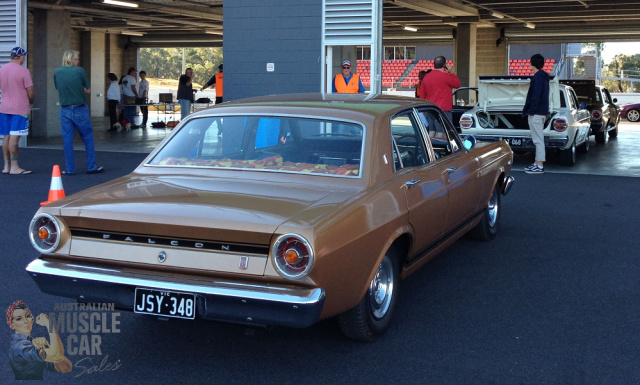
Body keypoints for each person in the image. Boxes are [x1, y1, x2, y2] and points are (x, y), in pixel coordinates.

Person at [53, 50, 104, 175]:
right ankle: (91, 166)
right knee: (88, 138)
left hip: (65, 109)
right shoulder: (80, 71)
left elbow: (57, 87)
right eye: (77, 59)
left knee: (67, 141)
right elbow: (87, 89)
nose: (78, 61)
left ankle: (70, 169)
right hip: (80, 108)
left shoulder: (57, 72)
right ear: (73, 59)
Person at [7, 300, 72, 380]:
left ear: (32, 319)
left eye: (27, 316)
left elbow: (66, 368)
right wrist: (49, 324)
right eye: (19, 319)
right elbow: (57, 356)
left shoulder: (33, 343)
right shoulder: (19, 346)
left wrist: (49, 348)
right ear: (12, 325)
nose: (25, 321)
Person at [0, 46, 33, 175]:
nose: (24, 58)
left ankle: (6, 166)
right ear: (20, 56)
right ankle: (15, 167)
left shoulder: (2, 70)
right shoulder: (23, 71)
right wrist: (31, 100)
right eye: (23, 55)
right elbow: (30, 90)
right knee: (15, 138)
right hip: (19, 107)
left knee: (6, 137)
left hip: (5, 107)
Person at [523, 53, 550, 175]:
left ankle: (539, 165)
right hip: (541, 112)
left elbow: (536, 96)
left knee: (538, 140)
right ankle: (537, 163)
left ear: (533, 64)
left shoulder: (538, 78)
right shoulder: (543, 77)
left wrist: (532, 111)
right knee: (538, 139)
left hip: (536, 113)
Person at [419, 56, 461, 123]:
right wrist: (452, 73)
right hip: (443, 110)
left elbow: (422, 96)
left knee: (431, 131)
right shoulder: (446, 76)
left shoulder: (426, 77)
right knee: (442, 132)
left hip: (431, 109)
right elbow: (457, 84)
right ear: (444, 65)